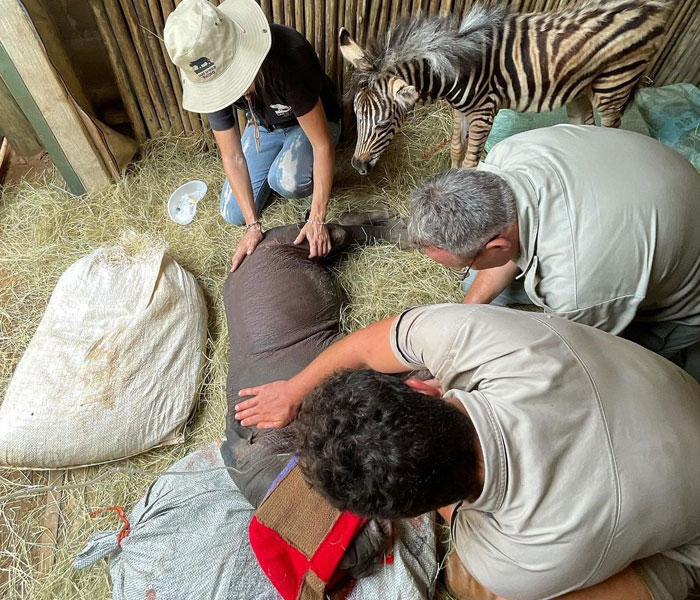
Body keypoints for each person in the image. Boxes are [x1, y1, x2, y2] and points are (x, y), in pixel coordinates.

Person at [235, 303, 700, 600]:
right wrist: (299, 390)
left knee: (465, 584)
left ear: (414, 514)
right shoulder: (477, 336)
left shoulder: (506, 564)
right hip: (675, 399)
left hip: (688, 536)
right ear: (419, 386)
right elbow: (374, 342)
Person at [407, 125, 700, 381]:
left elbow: (572, 357)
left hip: (682, 301)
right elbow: (507, 243)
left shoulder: (575, 287)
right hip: (648, 180)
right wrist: (463, 322)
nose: (466, 269)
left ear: (497, 246)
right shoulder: (507, 154)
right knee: (477, 289)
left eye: (463, 264)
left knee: (629, 371)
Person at [219, 212, 406, 577]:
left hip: (272, 257)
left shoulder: (296, 433)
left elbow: (378, 358)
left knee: (327, 238)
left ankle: (374, 224)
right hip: (251, 285)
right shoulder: (250, 462)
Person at [165, 0, 342, 269]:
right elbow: (232, 155)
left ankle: (288, 176)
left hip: (312, 124)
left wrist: (317, 217)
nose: (229, 91)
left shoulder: (288, 56)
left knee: (286, 182)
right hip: (264, 126)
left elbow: (321, 145)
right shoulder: (207, 70)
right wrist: (252, 225)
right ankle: (271, 173)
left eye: (232, 79)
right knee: (232, 212)